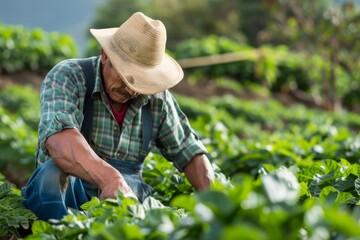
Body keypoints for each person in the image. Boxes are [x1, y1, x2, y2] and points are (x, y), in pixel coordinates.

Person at [21, 12, 214, 221]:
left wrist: (216, 202)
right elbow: (59, 140)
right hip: (67, 196)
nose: (131, 90)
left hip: (125, 203)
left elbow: (190, 151)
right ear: (105, 55)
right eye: (126, 77)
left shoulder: (157, 98)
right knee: (52, 176)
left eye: (141, 82)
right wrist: (110, 179)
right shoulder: (70, 76)